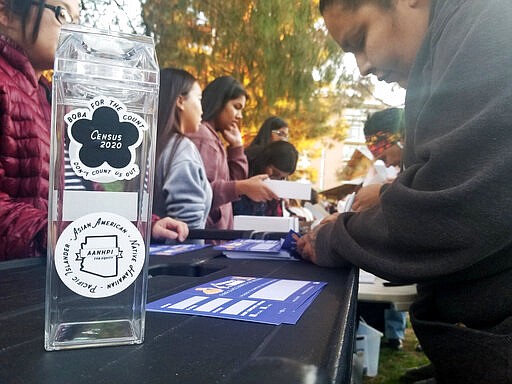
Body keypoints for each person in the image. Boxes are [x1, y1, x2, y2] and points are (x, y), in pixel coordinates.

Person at [298, 1, 512, 383]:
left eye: (360, 39)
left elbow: (453, 209)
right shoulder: (442, 54)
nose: (362, 66)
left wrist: (334, 237)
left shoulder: (491, 22)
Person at [0, 0, 187, 261]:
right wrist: (57, 232)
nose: (73, 32)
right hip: (23, 280)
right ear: (6, 13)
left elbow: (86, 185)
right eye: (62, 13)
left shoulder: (49, 95)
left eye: (77, 20)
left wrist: (142, 223)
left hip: (66, 259)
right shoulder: (6, 85)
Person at [189, 76, 277, 231]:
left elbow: (233, 185)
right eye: (236, 107)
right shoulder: (204, 137)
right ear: (219, 102)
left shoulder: (212, 137)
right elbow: (202, 192)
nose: (240, 116)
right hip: (208, 238)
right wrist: (241, 187)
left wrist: (236, 147)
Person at [153, 68, 212, 234]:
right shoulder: (182, 150)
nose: (202, 110)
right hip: (175, 256)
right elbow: (187, 230)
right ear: (180, 101)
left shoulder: (149, 146)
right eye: (199, 99)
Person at [233, 140, 298, 217]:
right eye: (275, 173)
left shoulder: (272, 186)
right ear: (266, 160)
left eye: (281, 178)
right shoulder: (242, 168)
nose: (275, 179)